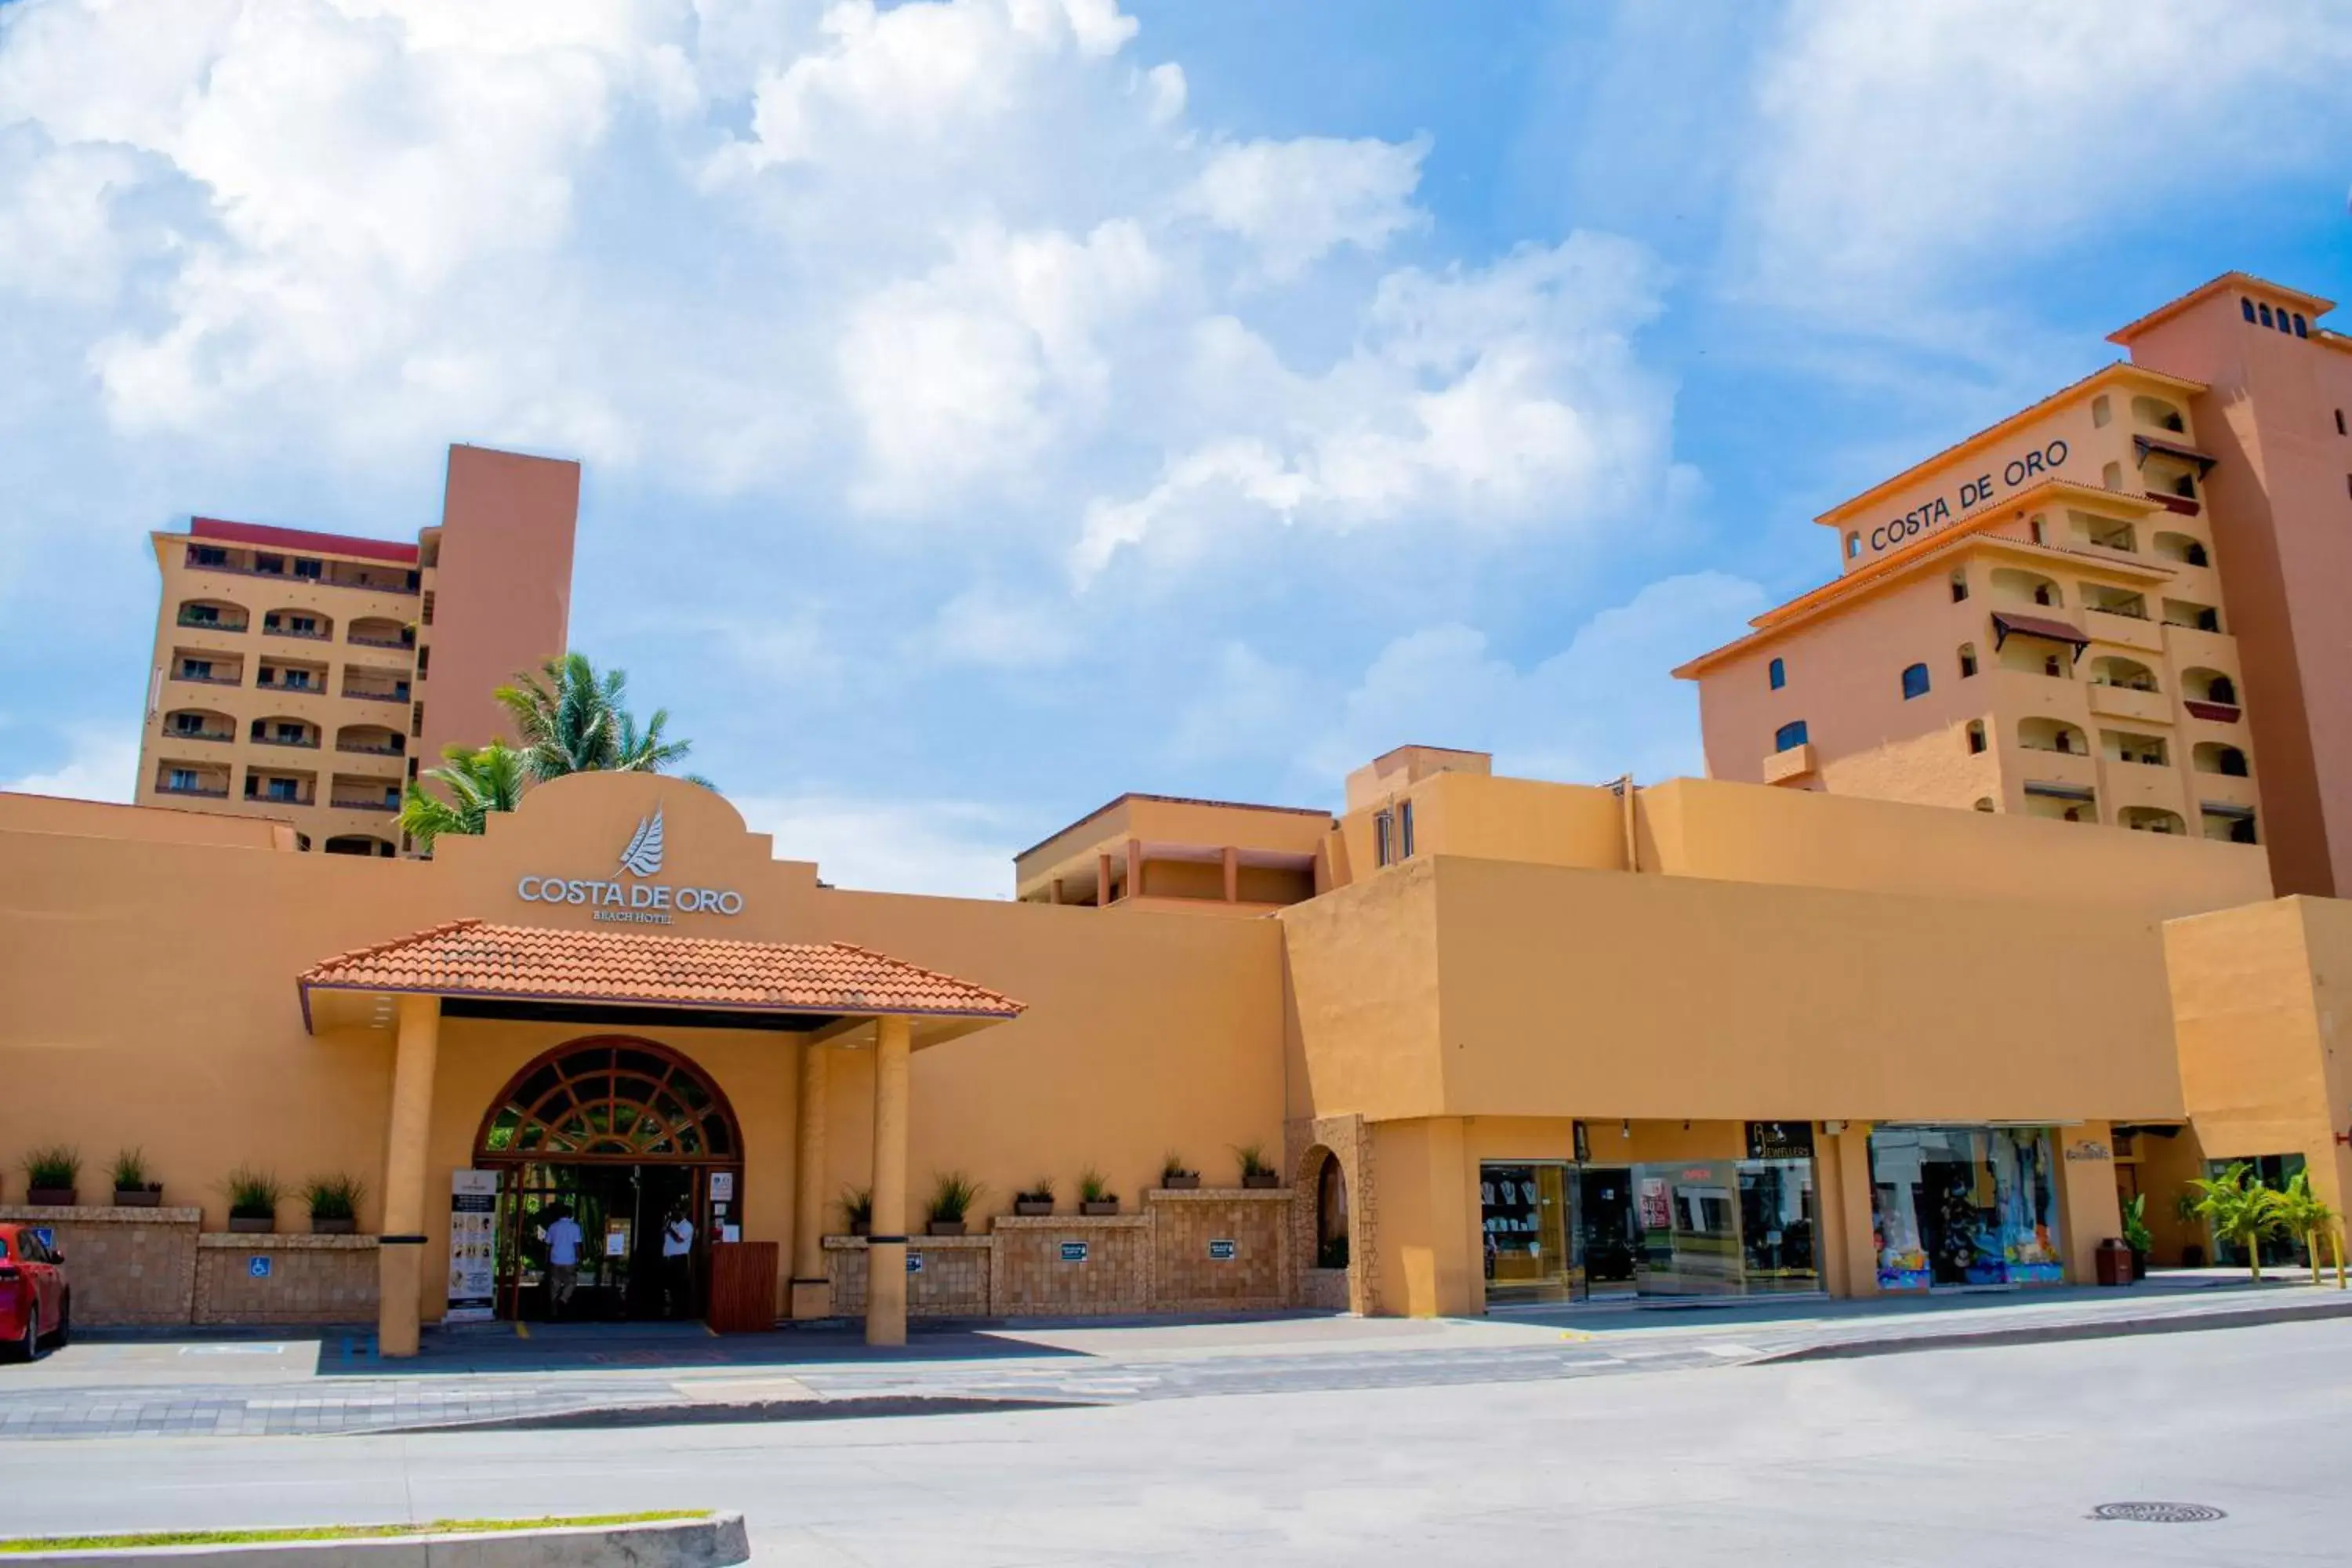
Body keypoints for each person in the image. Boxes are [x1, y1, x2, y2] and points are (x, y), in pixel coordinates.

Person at [543, 1206, 583, 1319]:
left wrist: (547, 1260)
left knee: (555, 1284)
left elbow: (548, 1245)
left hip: (555, 1259)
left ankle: (554, 1309)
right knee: (571, 1282)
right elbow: (576, 1246)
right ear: (570, 1215)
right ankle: (563, 1299)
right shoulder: (575, 1227)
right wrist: (579, 1259)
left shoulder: (553, 1227)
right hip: (569, 1259)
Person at [660, 1203, 695, 1319]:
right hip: (669, 1258)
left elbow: (679, 1239)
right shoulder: (672, 1224)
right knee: (670, 1285)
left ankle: (681, 1312)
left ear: (683, 1214)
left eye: (678, 1212)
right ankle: (672, 1310)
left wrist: (670, 1230)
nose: (676, 1214)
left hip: (679, 1259)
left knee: (679, 1286)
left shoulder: (687, 1226)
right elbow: (663, 1234)